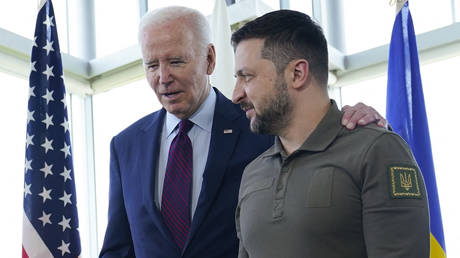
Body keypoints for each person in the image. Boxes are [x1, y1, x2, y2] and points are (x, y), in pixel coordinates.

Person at [99, 6, 387, 258]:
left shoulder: (263, 125)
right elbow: (119, 248)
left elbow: (319, 131)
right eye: (151, 65)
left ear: (210, 59)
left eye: (176, 62)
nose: (163, 78)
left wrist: (359, 122)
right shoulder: (125, 146)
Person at [231, 9, 430, 258]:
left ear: (297, 74)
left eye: (246, 77)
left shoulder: (376, 151)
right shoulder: (253, 172)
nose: (236, 94)